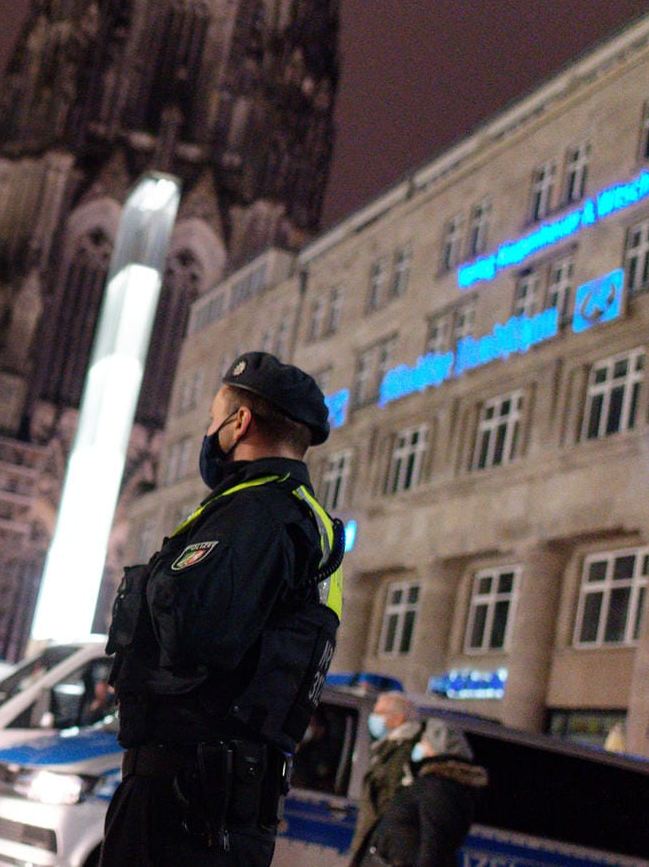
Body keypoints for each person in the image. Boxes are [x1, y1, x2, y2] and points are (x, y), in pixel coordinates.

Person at [103, 351, 346, 866]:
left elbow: (194, 635)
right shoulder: (293, 515)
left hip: (184, 805)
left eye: (215, 419)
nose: (210, 432)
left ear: (241, 423)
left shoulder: (258, 512)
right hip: (215, 801)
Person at [365, 718, 488, 867]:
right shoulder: (433, 784)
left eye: (424, 742)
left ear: (436, 748)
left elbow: (434, 846)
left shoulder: (440, 788)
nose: (419, 746)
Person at [350, 692, 423, 866]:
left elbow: (391, 802)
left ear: (398, 718)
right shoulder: (389, 747)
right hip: (377, 845)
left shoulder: (404, 752)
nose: (374, 718)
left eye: (380, 713)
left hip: (384, 849)